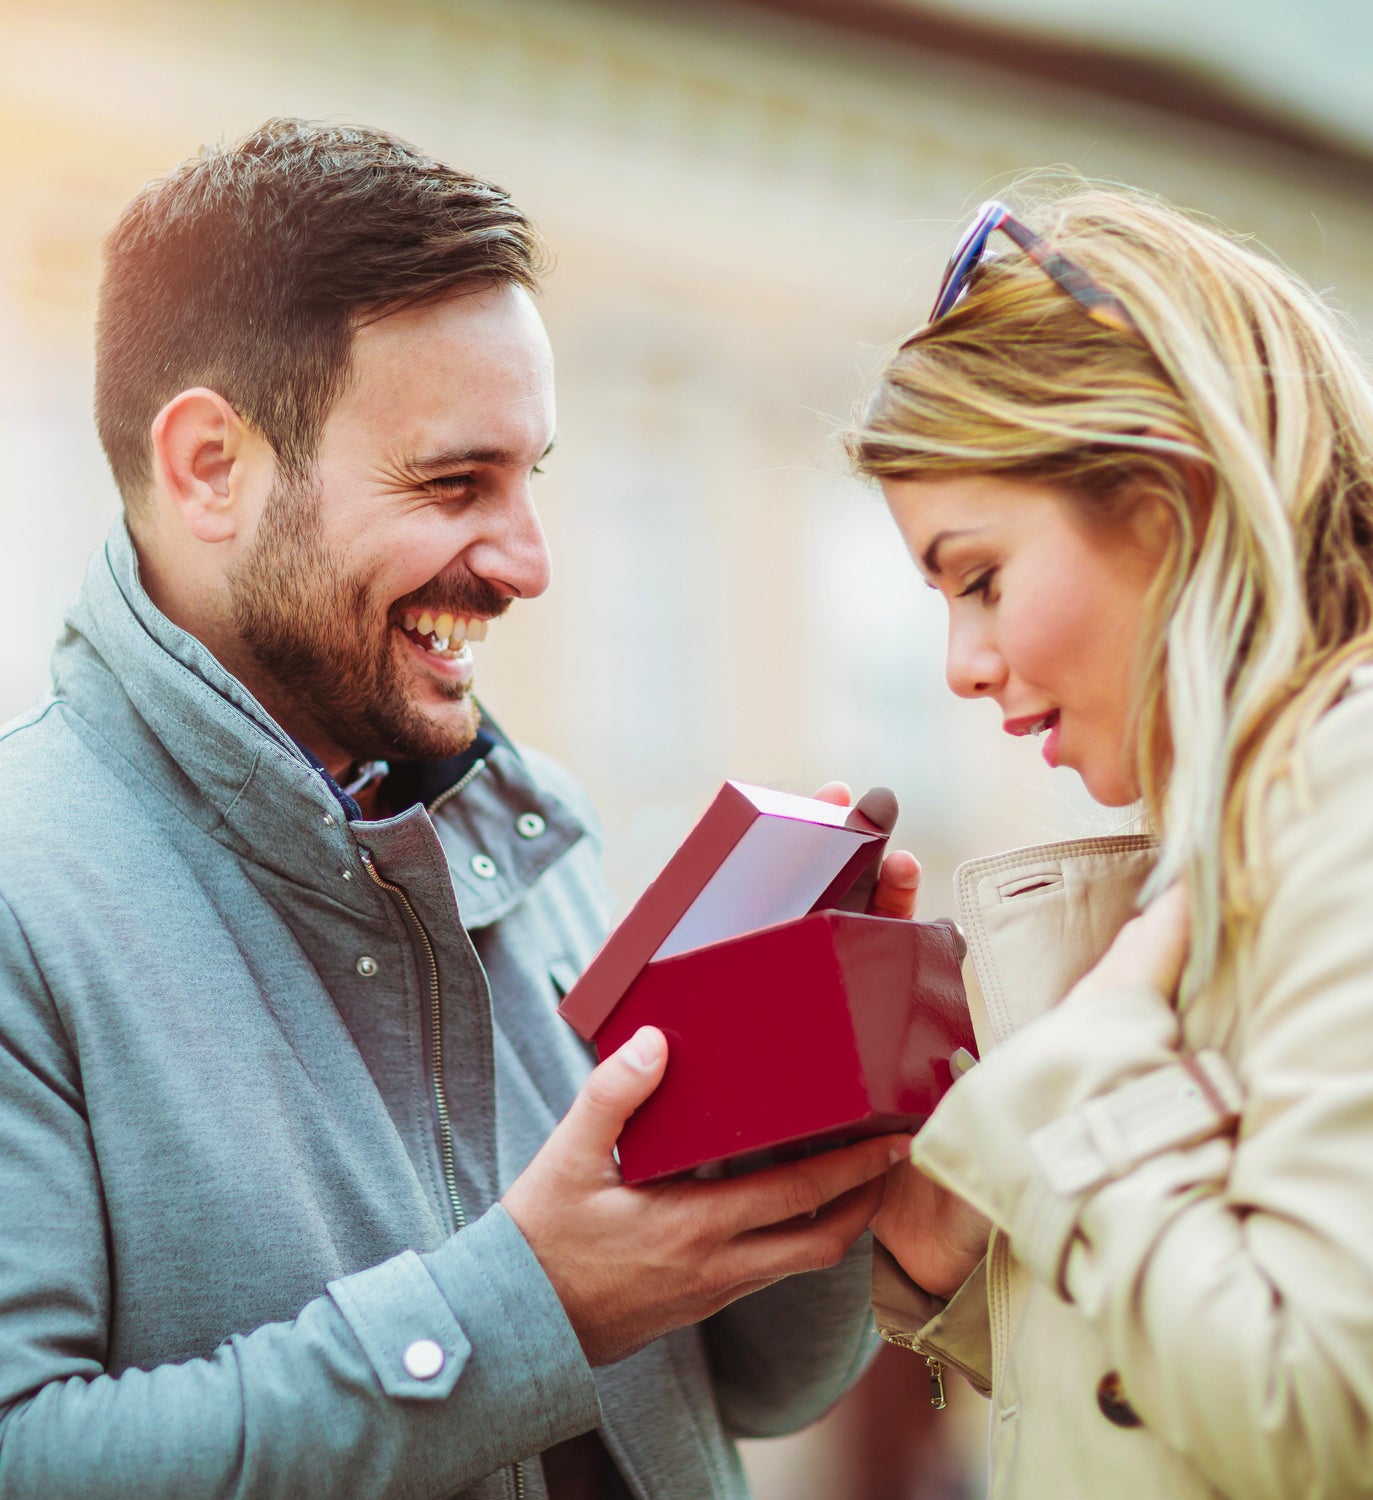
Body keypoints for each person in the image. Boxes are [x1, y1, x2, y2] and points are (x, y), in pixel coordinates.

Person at [0, 118, 922, 1499]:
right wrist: (528, 1303)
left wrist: (816, 1150)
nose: (528, 563)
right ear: (208, 468)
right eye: (452, 483)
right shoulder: (23, 894)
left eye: (530, 478)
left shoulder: (538, 833)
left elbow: (754, 1383)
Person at [858, 187, 1373, 1499]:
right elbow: (1156, 1394)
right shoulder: (1245, 821)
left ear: (1163, 494)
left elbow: (1317, 1416)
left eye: (980, 577)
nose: (964, 666)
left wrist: (1051, 1096)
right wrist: (939, 1240)